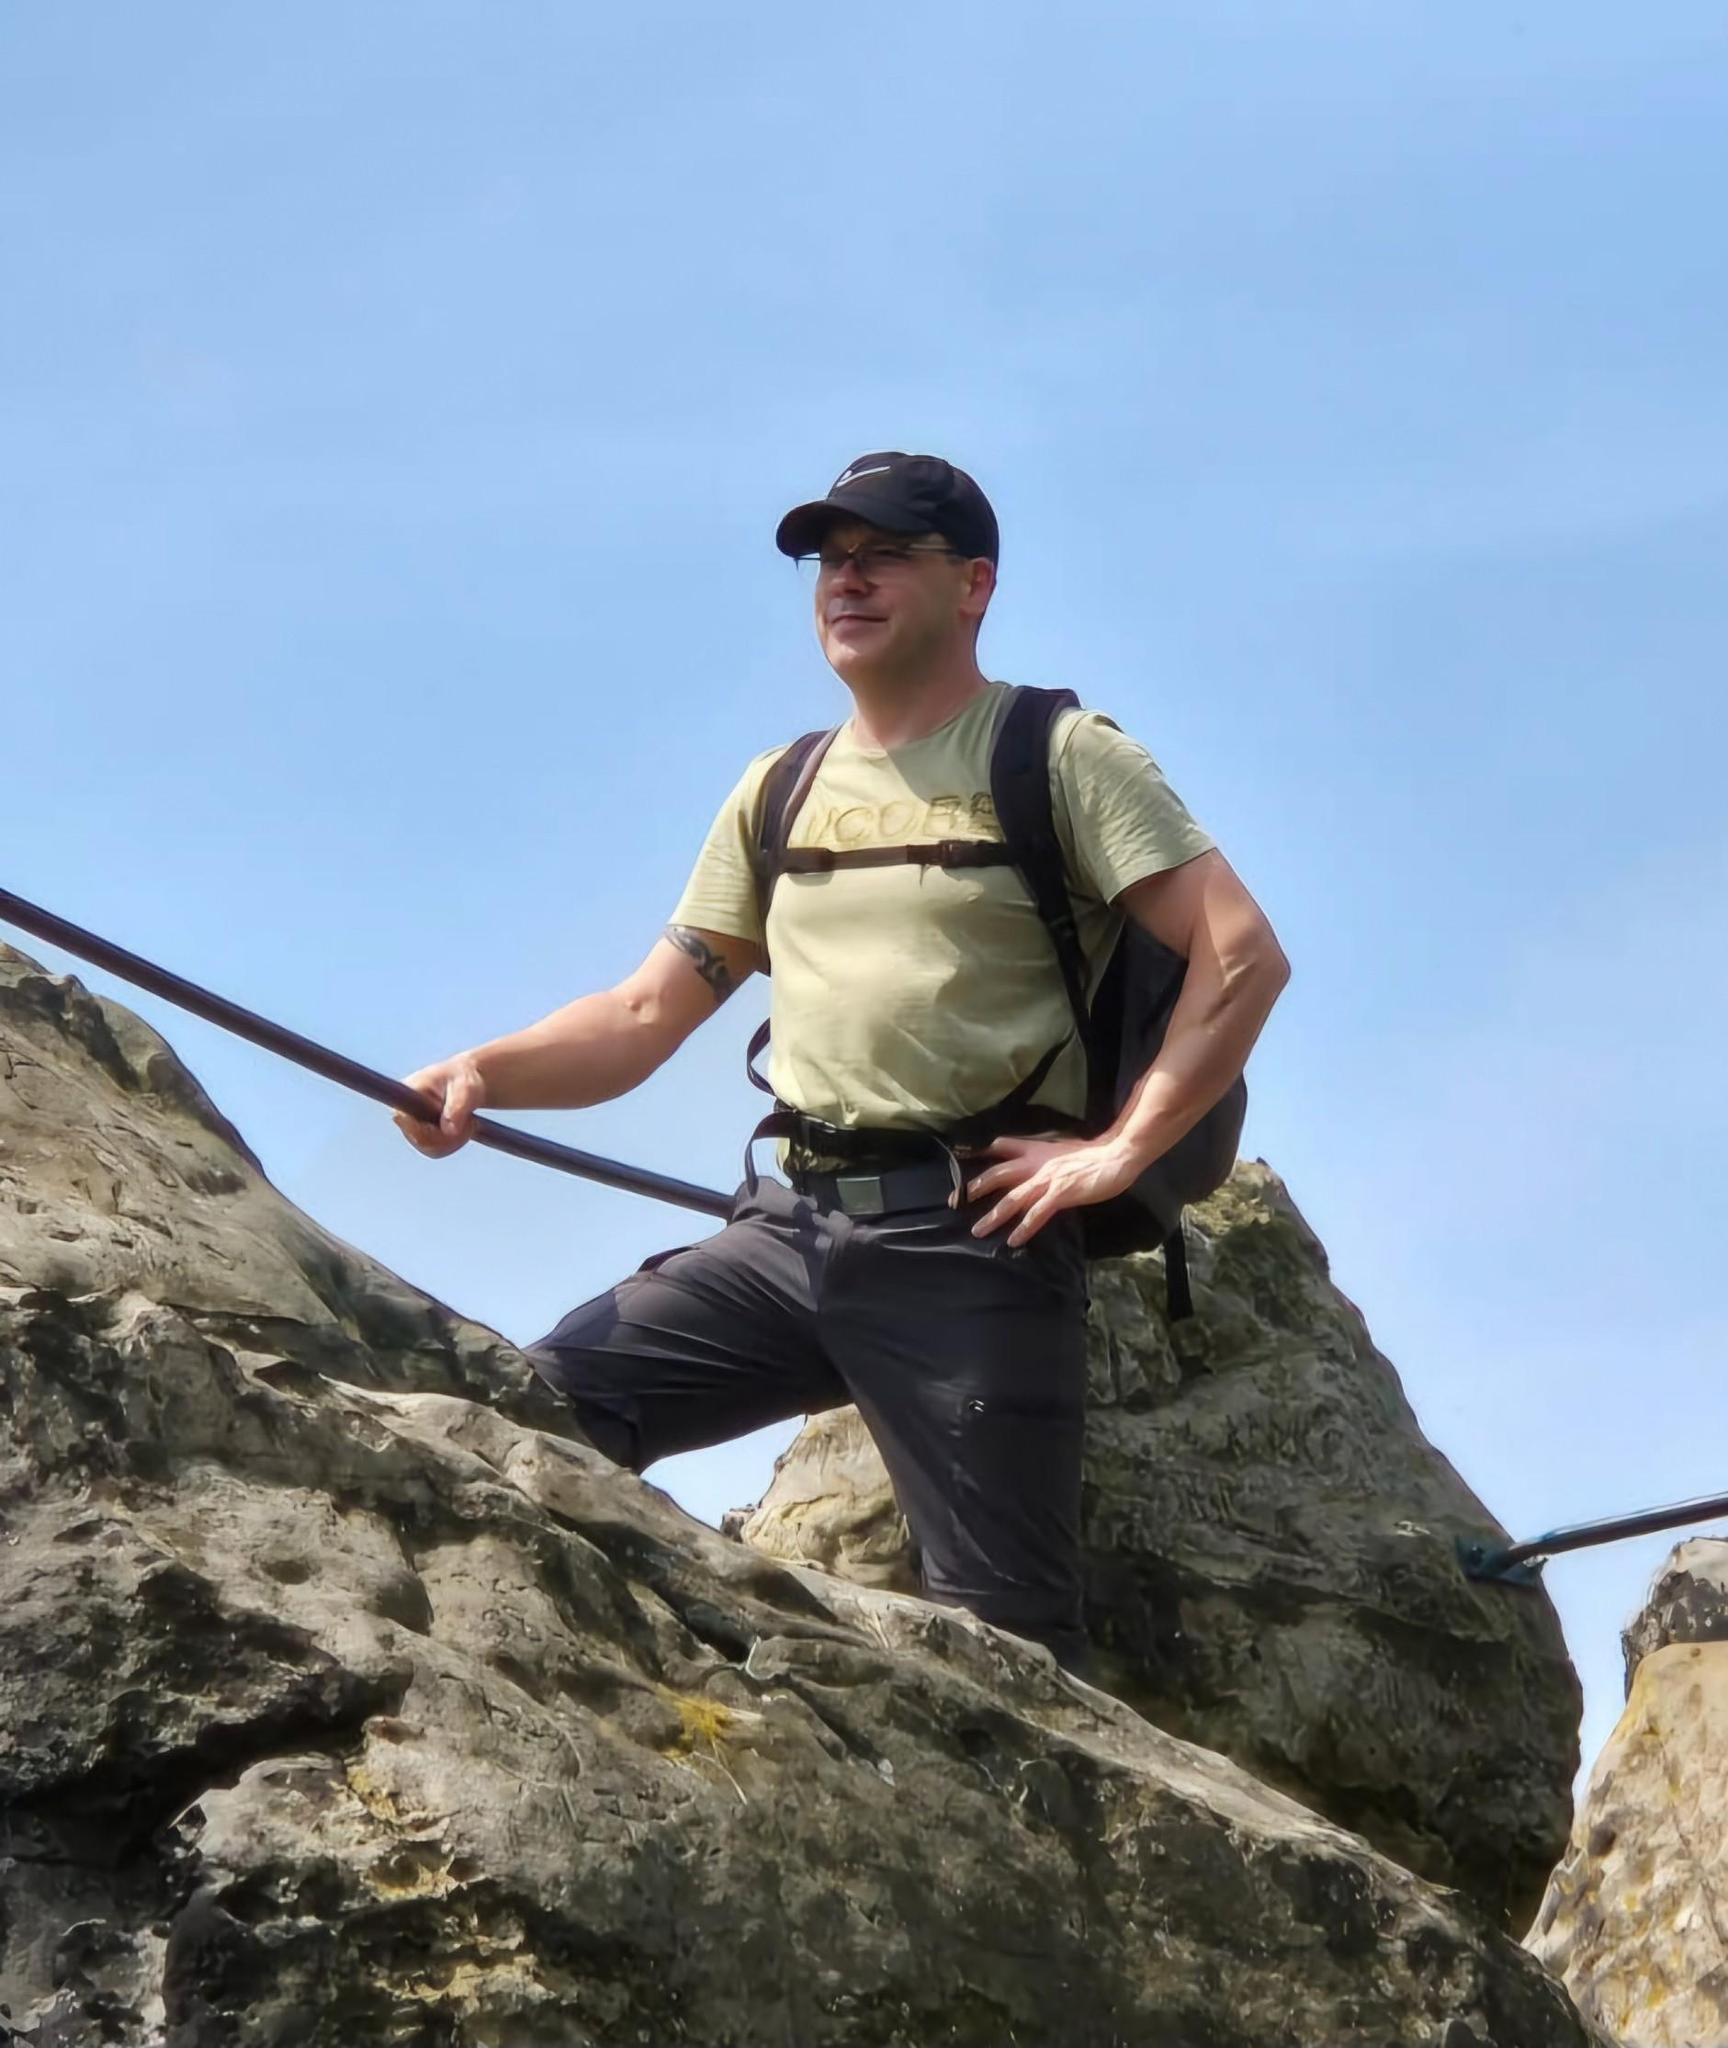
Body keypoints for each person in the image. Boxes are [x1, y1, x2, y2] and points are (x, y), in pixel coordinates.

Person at [396, 451, 1289, 1672]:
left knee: (1011, 1655)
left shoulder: (1059, 752)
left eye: (884, 555)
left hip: (970, 1244)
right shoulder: (781, 786)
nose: (846, 580)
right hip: (787, 1233)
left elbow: (1241, 953)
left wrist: (1121, 1150)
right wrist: (481, 1072)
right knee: (536, 1410)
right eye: (831, 558)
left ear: (974, 584)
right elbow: (645, 1012)